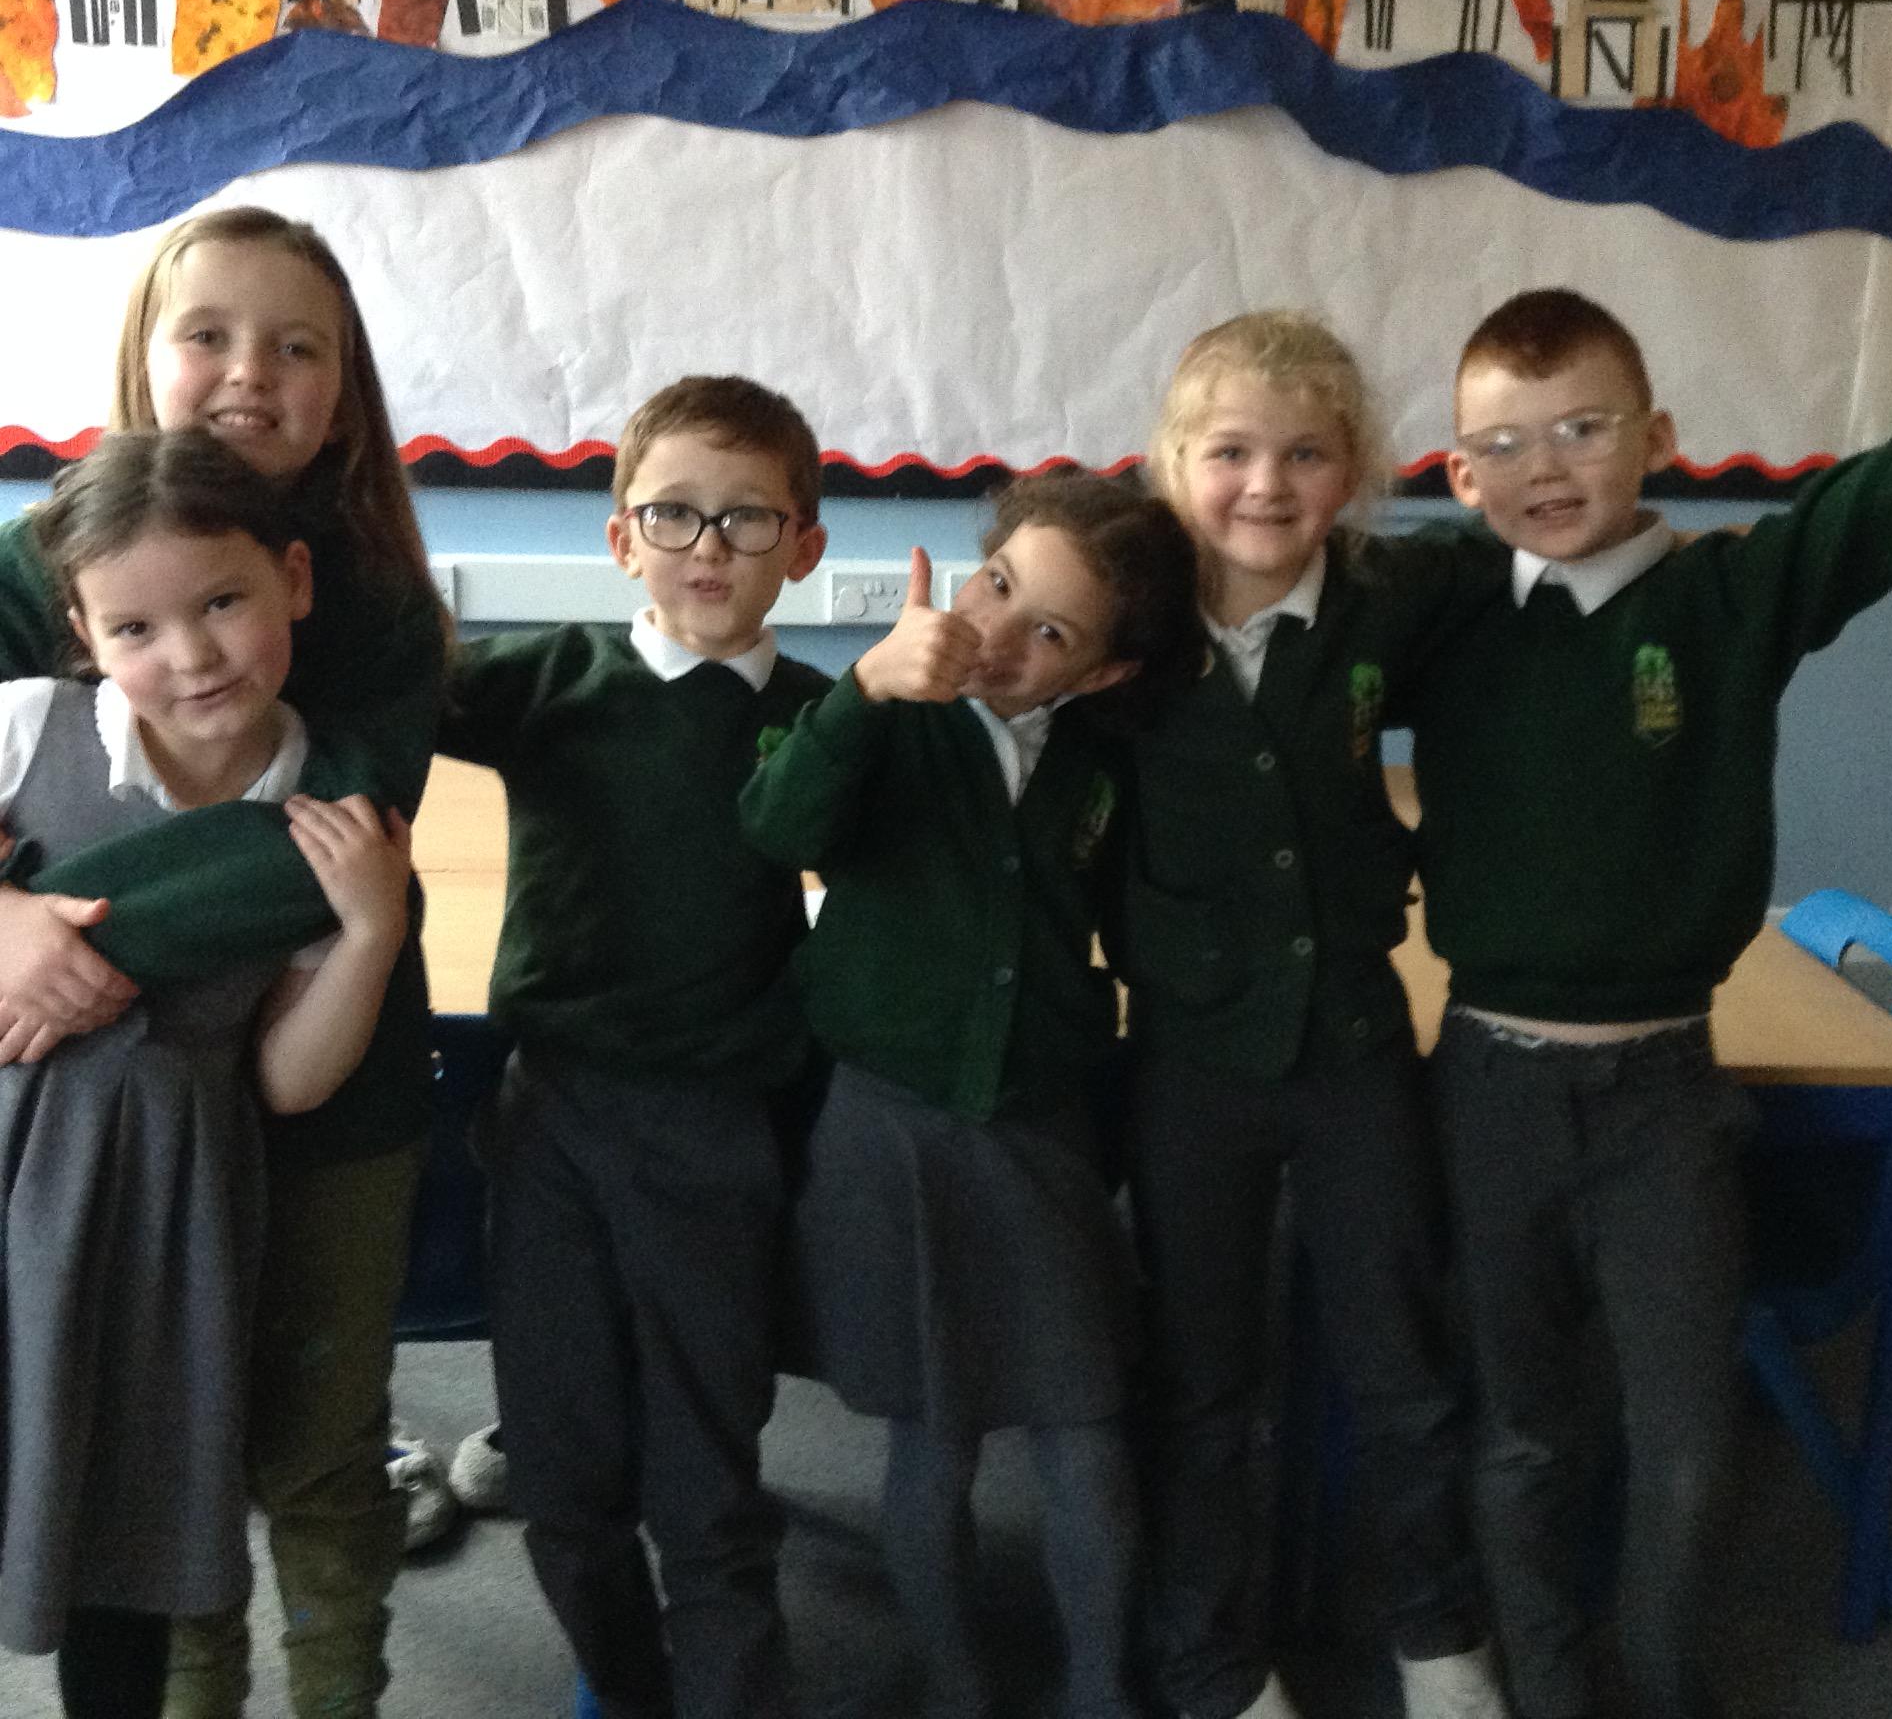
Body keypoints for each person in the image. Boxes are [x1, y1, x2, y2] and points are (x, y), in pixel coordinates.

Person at [1411, 288, 1892, 1719]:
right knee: (1520, 1428)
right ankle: (1550, 1685)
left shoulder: (1728, 601)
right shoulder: (1444, 613)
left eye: (1583, 428)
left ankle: (1658, 1679)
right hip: (1491, 1084)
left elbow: (1889, 500)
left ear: (1657, 436)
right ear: (1459, 475)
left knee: (1688, 1435)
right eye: (1503, 443)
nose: (1546, 467)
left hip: (1665, 1093)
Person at [0, 206, 449, 1719]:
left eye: (295, 346)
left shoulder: (377, 602)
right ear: (147, 351)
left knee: (313, 1451)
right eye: (209, 334)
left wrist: (55, 926)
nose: (250, 371)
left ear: (342, 395)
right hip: (71, 1116)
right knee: (147, 1455)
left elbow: (299, 860)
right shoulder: (42, 560)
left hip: (324, 1086)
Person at [741, 472, 1202, 1719]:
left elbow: (1127, 912)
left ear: (1102, 672)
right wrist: (864, 687)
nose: (995, 634)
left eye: (1047, 630)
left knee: (1084, 1430)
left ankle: (1101, 1687)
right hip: (888, 1128)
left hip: (1038, 1128)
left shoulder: (1101, 759)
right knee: (930, 1438)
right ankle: (953, 1684)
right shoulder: (895, 711)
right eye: (996, 585)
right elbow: (778, 827)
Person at [1117, 314, 1510, 1719]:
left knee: (1403, 1357)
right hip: (1188, 1057)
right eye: (1229, 452)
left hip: (1352, 1046)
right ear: (1172, 463)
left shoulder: (1397, 592)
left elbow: (1541, 564)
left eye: (1305, 455)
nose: (1265, 486)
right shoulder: (1125, 609)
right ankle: (1214, 1662)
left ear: (1355, 472)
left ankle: (1438, 1631)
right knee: (1199, 1380)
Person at [437, 375, 833, 1719]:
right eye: (672, 514)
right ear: (620, 540)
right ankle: (622, 1681)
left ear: (802, 547)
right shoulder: (548, 679)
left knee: (708, 1479)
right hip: (550, 1116)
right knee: (563, 1472)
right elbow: (374, 692)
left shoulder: (820, 719)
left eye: (747, 518)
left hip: (716, 1131)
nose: (708, 546)